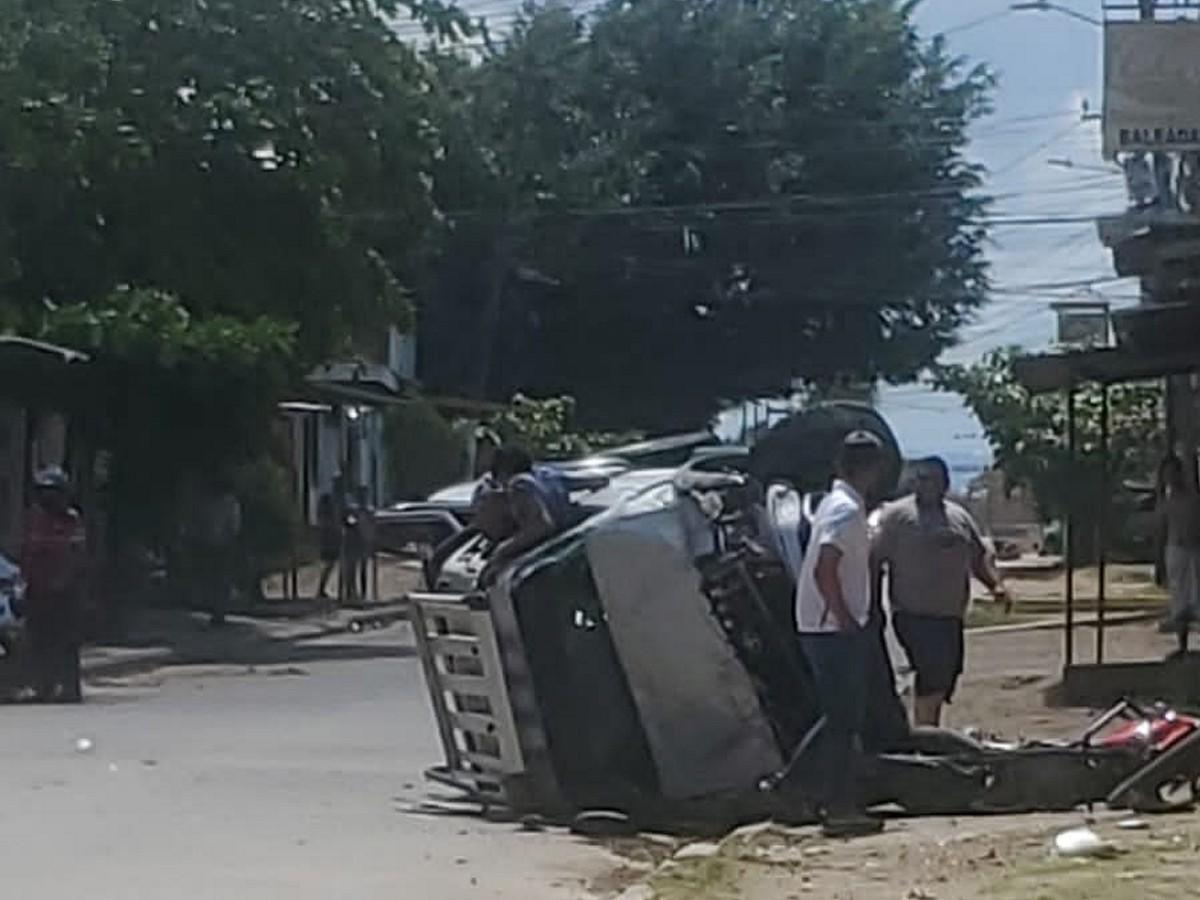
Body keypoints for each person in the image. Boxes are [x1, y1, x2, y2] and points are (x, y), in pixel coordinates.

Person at [793, 430, 887, 837]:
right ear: (872, 469)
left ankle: (800, 789)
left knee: (839, 717)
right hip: (832, 629)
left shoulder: (837, 504)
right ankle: (837, 806)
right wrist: (846, 618)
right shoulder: (845, 510)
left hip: (824, 625)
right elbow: (824, 567)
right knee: (843, 721)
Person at [871, 457, 1009, 728]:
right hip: (913, 614)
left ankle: (928, 728)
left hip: (950, 615)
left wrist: (996, 586)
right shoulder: (897, 517)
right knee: (931, 671)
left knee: (946, 674)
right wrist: (872, 606)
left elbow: (977, 558)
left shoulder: (959, 517)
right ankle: (925, 733)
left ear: (944, 483)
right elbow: (875, 562)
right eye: (920, 478)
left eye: (932, 478)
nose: (925, 484)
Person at [22, 466, 88, 703]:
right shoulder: (35, 519)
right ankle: (43, 686)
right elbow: (28, 552)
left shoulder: (71, 520)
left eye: (52, 492)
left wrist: (64, 580)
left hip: (64, 591)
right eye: (43, 492)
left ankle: (69, 688)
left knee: (66, 641)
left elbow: (77, 555)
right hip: (38, 590)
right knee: (39, 640)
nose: (47, 498)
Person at [478, 446, 569, 587]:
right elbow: (599, 481)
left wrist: (503, 550)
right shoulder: (549, 476)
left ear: (502, 472)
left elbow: (541, 526)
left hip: (541, 550)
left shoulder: (519, 484)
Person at [1157, 453, 1200, 656]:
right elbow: (1162, 527)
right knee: (1179, 599)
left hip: (1193, 550)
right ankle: (1182, 645)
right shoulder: (1166, 499)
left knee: (1194, 598)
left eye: (1173, 473)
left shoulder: (1192, 498)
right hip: (1175, 550)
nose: (1170, 478)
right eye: (1166, 474)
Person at [195, 475, 242, 626]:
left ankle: (217, 611)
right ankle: (219, 610)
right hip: (224, 544)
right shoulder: (230, 503)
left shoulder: (209, 503)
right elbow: (234, 524)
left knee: (214, 578)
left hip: (211, 544)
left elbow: (203, 523)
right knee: (222, 579)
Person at [316, 492, 340, 603]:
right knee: (328, 566)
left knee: (329, 566)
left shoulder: (324, 517)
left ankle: (322, 589)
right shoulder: (326, 518)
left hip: (329, 541)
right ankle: (321, 589)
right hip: (329, 542)